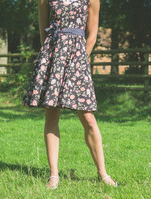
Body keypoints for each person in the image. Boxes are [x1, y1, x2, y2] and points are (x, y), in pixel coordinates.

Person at [22, 0, 117, 189]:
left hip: (78, 57)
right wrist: (52, 59)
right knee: (52, 113)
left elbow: (92, 34)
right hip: (53, 56)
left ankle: (102, 173)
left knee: (88, 117)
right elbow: (44, 33)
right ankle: (54, 175)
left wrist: (80, 60)